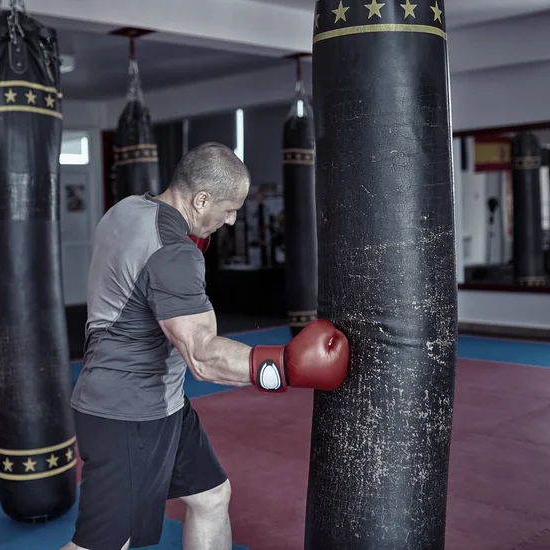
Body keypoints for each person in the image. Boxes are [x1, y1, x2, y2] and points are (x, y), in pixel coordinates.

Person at [61, 142, 349, 550]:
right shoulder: (174, 253)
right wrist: (285, 365)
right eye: (229, 209)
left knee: (211, 496)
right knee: (102, 545)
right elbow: (201, 356)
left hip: (163, 404)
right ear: (200, 199)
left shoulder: (126, 209)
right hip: (126, 412)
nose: (231, 221)